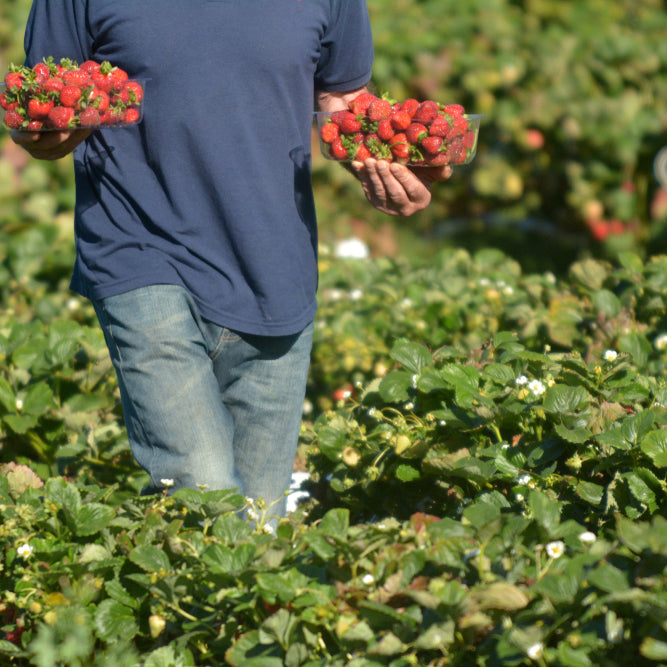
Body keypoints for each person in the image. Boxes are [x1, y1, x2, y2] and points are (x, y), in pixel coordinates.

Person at [11, 1, 452, 520]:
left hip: (274, 263)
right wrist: (43, 132)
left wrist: (384, 157)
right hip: (139, 251)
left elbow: (341, 94)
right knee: (207, 497)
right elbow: (44, 95)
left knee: (259, 524)